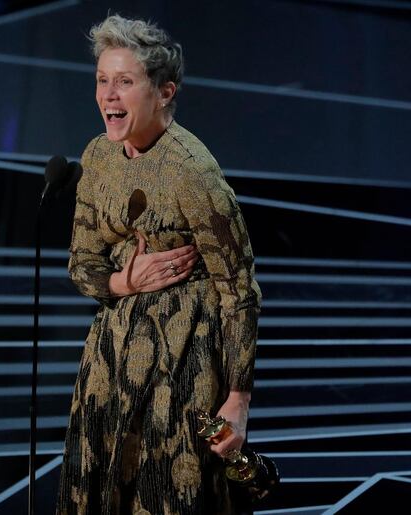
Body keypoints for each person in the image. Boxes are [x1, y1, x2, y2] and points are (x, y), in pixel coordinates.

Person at [57, 14, 261, 515]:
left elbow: (239, 288)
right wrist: (125, 280)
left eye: (125, 82)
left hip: (182, 362)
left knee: (165, 491)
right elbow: (81, 264)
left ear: (164, 91)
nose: (109, 95)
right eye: (103, 80)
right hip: (110, 357)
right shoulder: (98, 158)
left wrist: (238, 399)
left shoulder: (194, 171)